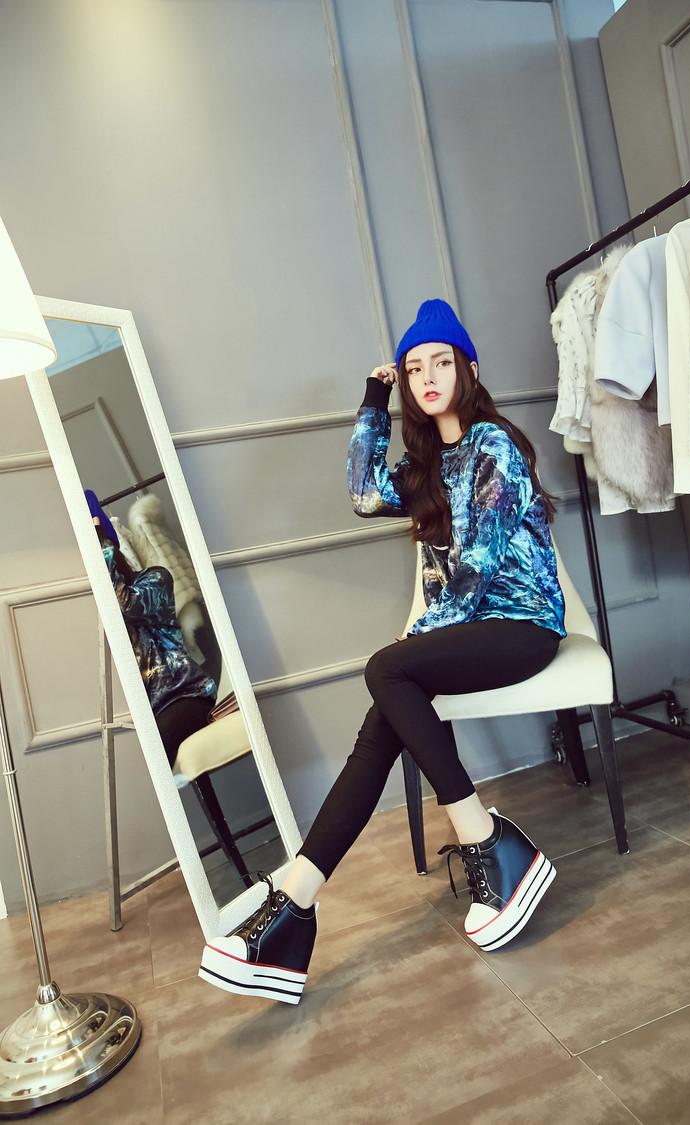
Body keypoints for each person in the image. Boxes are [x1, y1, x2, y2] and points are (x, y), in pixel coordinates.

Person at [199, 299, 566, 1005]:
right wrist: (372, 400)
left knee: (388, 669)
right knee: (384, 715)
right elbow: (365, 495)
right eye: (413, 367)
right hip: (470, 631)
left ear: (468, 369)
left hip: (523, 625)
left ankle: (488, 842)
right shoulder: (428, 465)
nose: (426, 377)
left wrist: (419, 640)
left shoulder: (492, 445)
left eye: (441, 362)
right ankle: (295, 906)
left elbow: (477, 569)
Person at [88, 494, 218, 766]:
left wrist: (99, 542)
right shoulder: (96, 618)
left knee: (150, 757)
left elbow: (126, 605)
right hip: (148, 716)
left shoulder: (155, 579)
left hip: (183, 696)